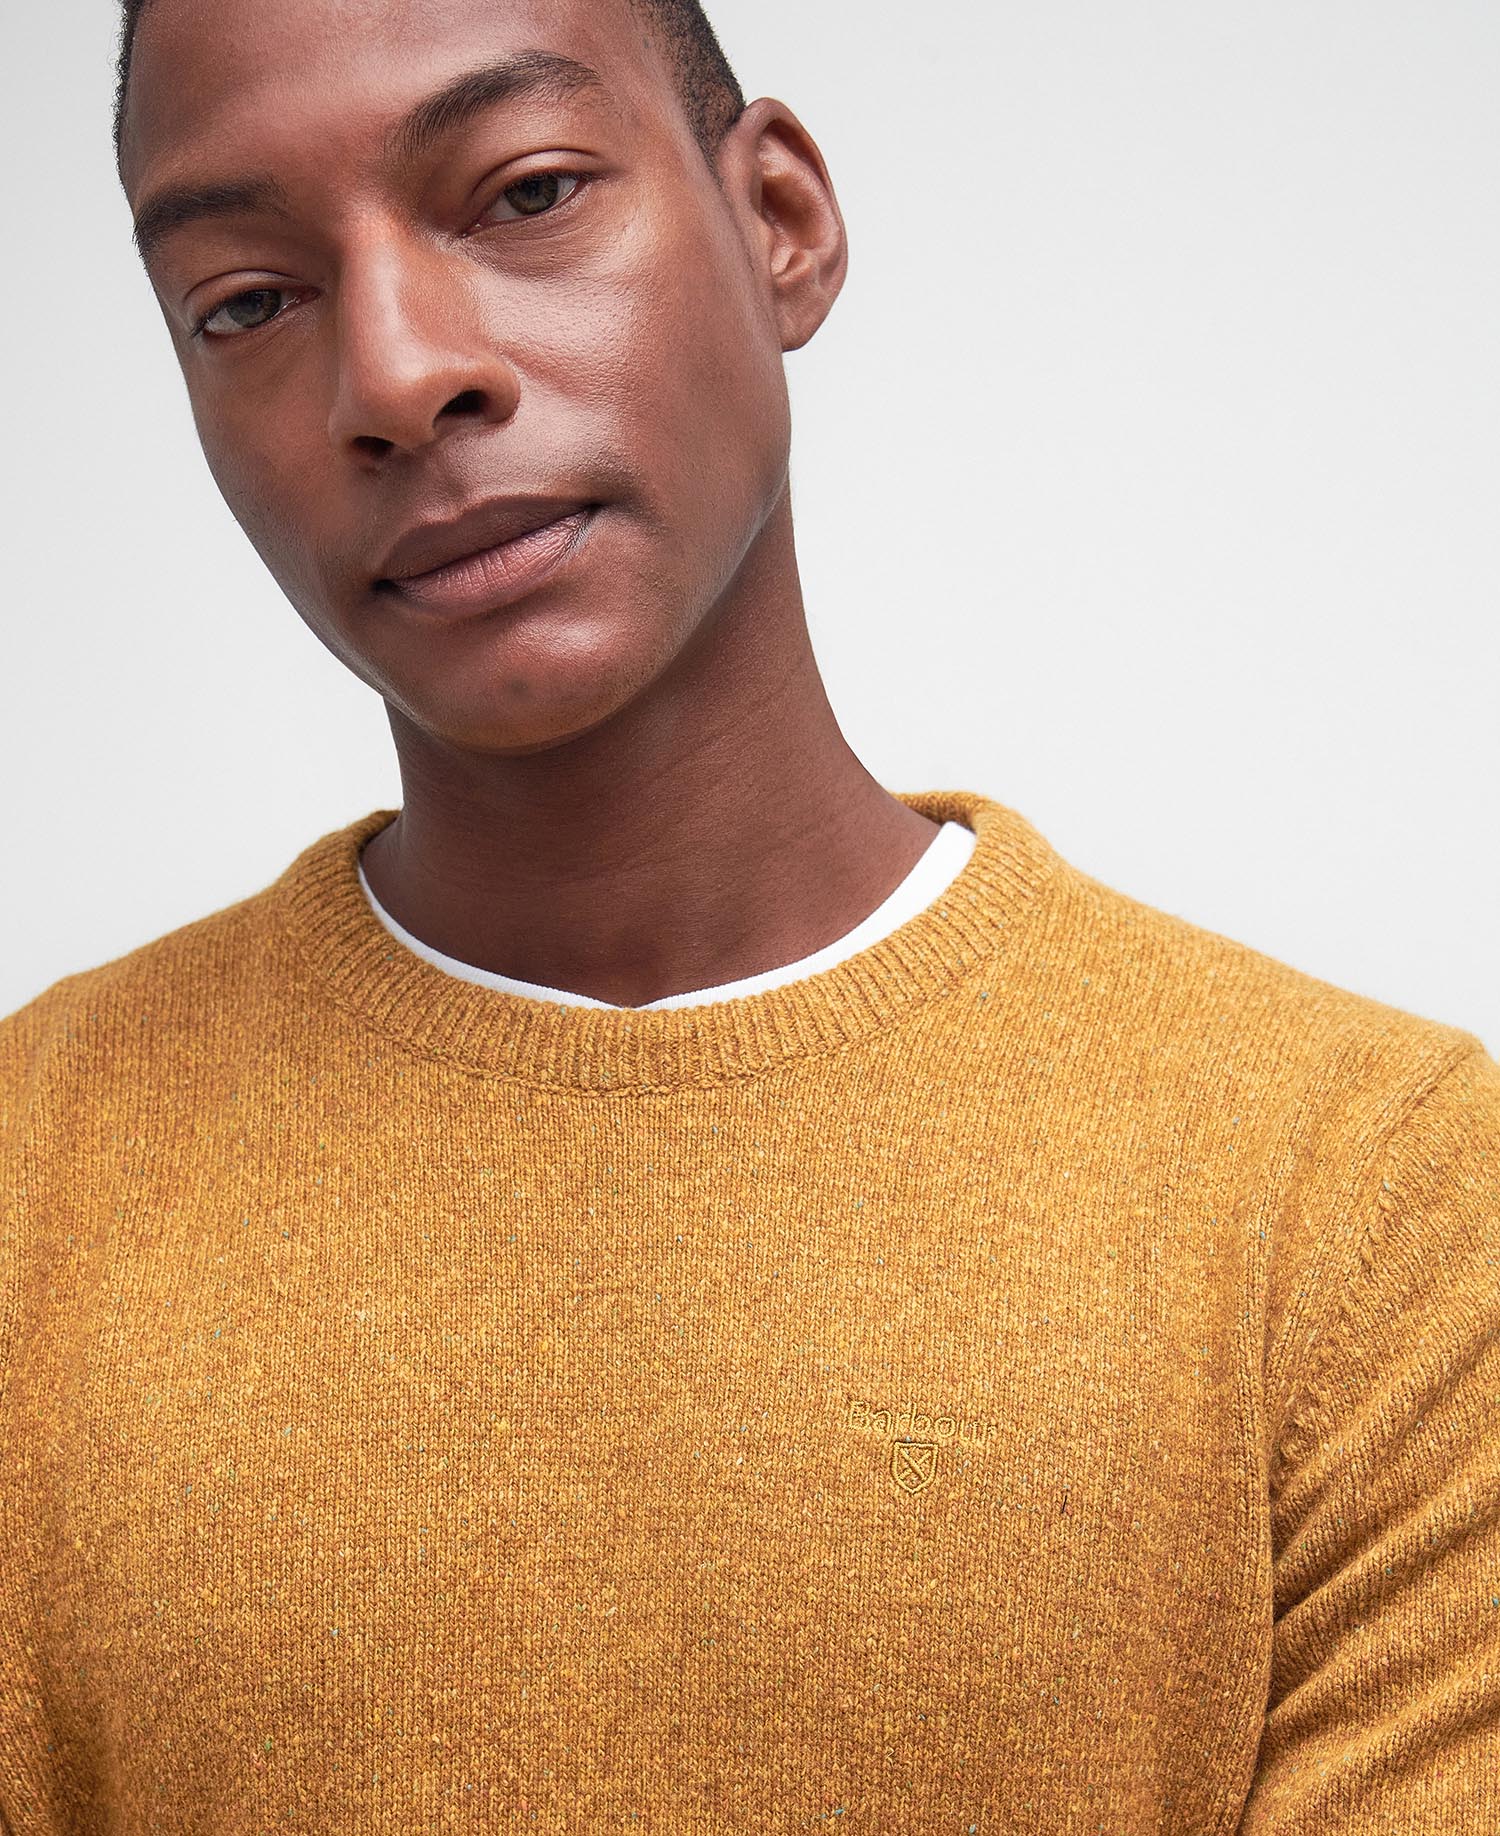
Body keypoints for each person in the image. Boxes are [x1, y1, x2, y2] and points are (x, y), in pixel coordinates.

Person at [1, 0, 1495, 1827]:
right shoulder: (30, 1179)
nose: (395, 375)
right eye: (246, 301)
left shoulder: (1369, 1195)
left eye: (526, 193)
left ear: (779, 220)